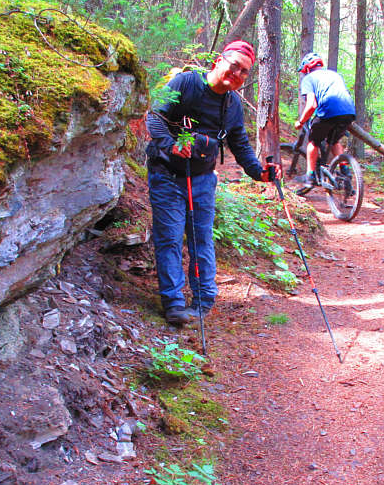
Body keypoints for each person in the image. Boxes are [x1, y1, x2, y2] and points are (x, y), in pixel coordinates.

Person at [145, 40, 280, 325]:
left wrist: (260, 173)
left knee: (201, 239)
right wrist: (170, 144)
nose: (238, 75)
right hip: (167, 174)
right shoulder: (186, 83)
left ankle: (204, 300)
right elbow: (154, 117)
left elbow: (240, 145)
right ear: (220, 60)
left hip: (203, 179)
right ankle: (174, 305)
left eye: (244, 72)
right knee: (169, 239)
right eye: (235, 66)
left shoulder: (232, 106)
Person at [293, 52, 356, 186]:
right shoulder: (335, 75)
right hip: (349, 110)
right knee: (334, 141)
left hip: (329, 110)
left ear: (307, 69)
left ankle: (310, 176)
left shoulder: (309, 79)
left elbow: (311, 105)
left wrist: (301, 122)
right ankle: (345, 170)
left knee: (313, 141)